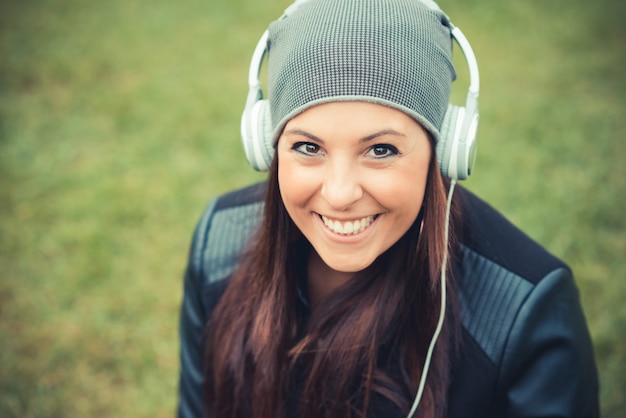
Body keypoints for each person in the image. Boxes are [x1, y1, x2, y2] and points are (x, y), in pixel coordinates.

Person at [177, 0, 599, 417]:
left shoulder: (524, 312)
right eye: (308, 147)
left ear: (445, 152)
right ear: (267, 147)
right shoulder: (219, 246)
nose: (340, 194)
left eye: (381, 150)